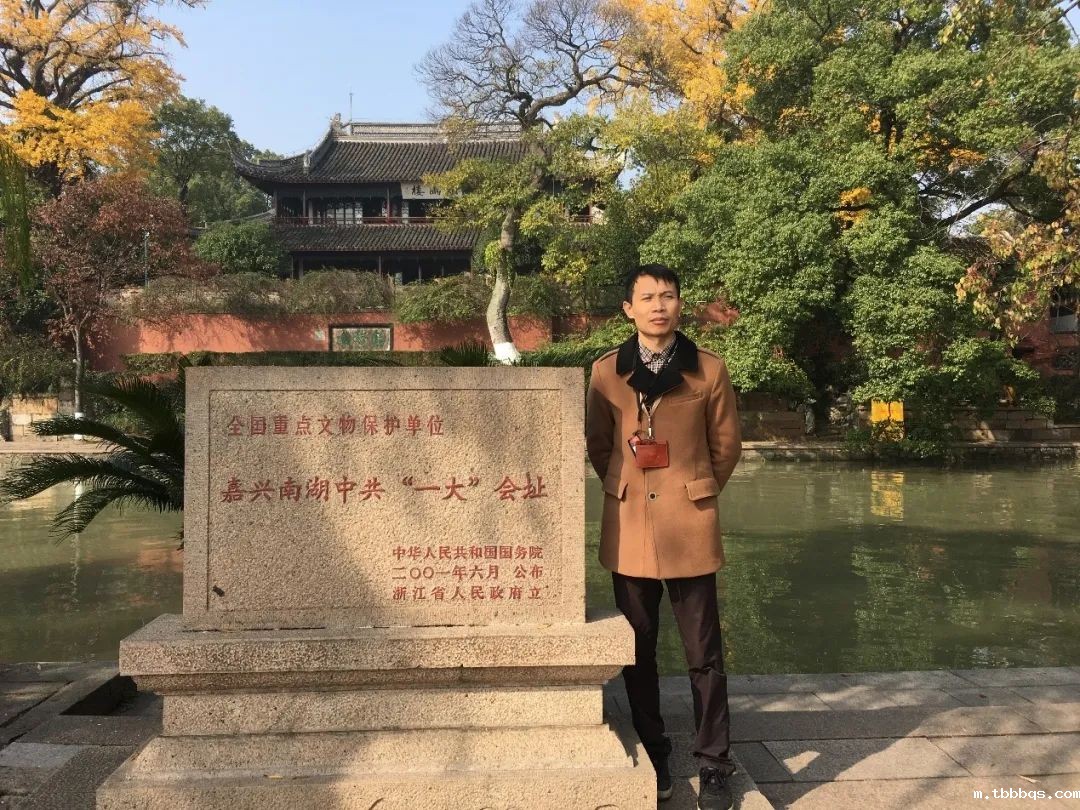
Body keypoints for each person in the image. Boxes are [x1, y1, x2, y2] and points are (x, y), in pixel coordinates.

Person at [585, 264, 742, 810]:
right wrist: (628, 486)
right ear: (628, 309)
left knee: (705, 655)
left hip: (689, 525)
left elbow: (726, 448)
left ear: (680, 305)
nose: (659, 306)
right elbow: (599, 445)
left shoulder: (708, 370)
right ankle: (655, 753)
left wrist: (693, 490)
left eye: (668, 296)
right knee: (638, 650)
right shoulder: (607, 371)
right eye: (647, 297)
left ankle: (714, 763)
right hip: (629, 526)